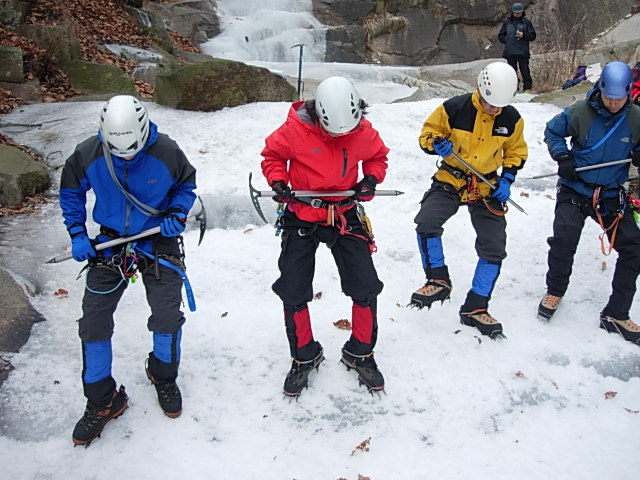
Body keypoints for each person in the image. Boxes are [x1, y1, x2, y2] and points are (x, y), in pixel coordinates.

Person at [59, 95, 197, 445]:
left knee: (166, 315)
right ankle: (102, 400)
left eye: (132, 151)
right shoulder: (87, 153)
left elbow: (185, 186)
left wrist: (176, 213)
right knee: (93, 321)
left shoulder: (166, 151)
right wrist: (77, 233)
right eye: (118, 152)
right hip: (111, 242)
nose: (126, 157)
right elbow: (71, 192)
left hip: (157, 239)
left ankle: (163, 375)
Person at [260, 76, 390, 396]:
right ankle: (304, 355)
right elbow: (273, 156)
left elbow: (377, 157)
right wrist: (278, 181)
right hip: (302, 213)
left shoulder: (362, 130)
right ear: (319, 114)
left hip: (343, 213)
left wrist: (371, 179)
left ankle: (360, 351)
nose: (339, 136)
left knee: (365, 284)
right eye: (332, 131)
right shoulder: (294, 130)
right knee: (293, 288)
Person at [410, 62, 528, 339]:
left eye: (499, 105)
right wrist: (436, 143)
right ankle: (438, 279)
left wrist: (507, 179)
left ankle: (476, 306)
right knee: (427, 222)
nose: (494, 109)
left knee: (494, 247)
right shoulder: (454, 108)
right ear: (480, 89)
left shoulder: (512, 118)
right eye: (490, 103)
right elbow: (427, 133)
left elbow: (516, 151)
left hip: (487, 187)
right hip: (451, 179)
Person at [538, 61, 640, 345]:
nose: (613, 103)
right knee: (564, 239)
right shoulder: (580, 111)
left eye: (619, 99)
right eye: (608, 98)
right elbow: (553, 131)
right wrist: (562, 157)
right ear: (600, 89)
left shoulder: (636, 118)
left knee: (634, 249)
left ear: (628, 93)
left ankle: (616, 314)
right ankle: (555, 290)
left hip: (609, 194)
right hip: (575, 188)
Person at [498, 2, 536, 91]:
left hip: (523, 51)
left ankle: (527, 89)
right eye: (516, 13)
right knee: (512, 72)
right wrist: (507, 41)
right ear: (513, 12)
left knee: (525, 71)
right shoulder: (507, 23)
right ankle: (514, 89)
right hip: (510, 52)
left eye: (519, 13)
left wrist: (524, 35)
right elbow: (500, 35)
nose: (518, 14)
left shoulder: (526, 22)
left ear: (522, 12)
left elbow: (533, 36)